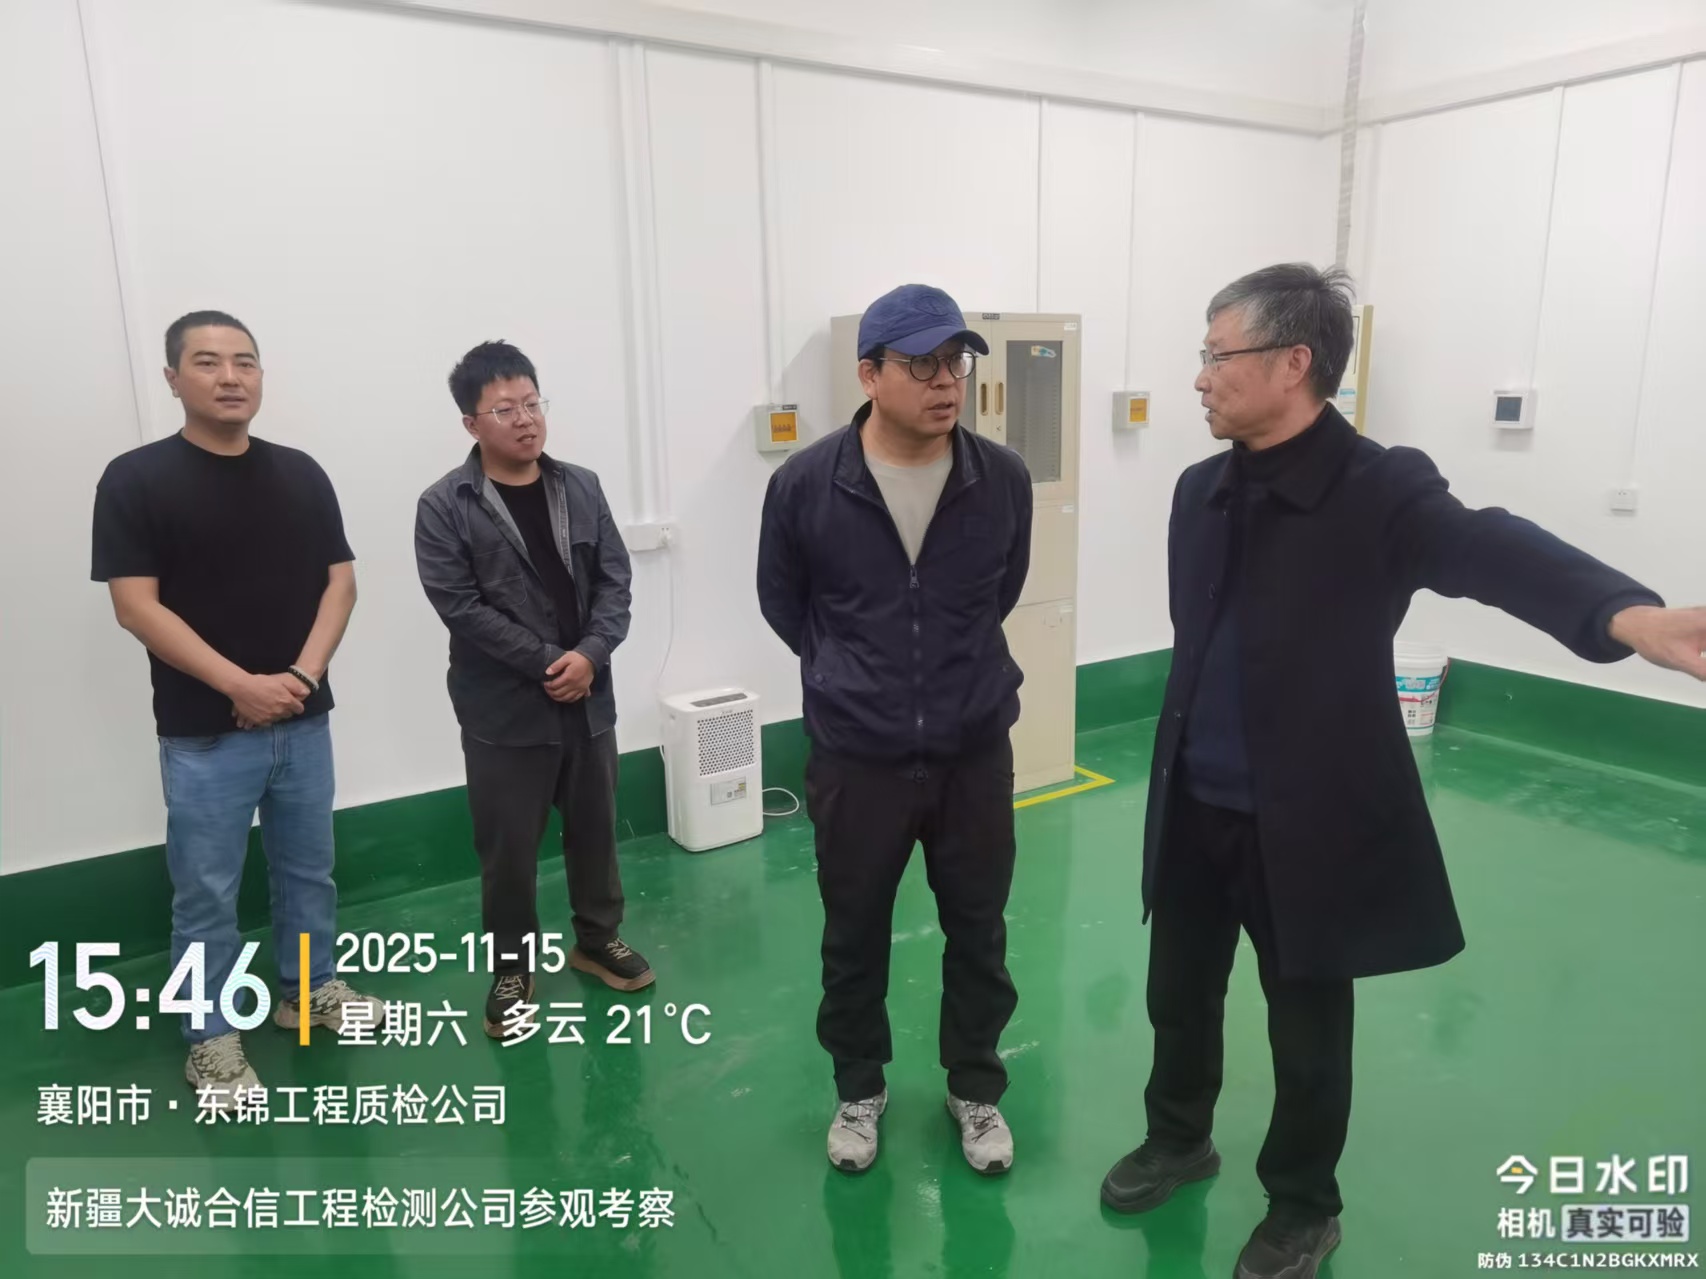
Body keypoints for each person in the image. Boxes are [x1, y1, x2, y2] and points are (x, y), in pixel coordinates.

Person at [1098, 263, 1706, 1279]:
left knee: (1306, 1026)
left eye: (1216, 353)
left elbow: (1489, 548)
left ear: (1292, 362)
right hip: (1194, 796)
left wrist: (1624, 615)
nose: (1198, 376)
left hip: (1305, 815)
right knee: (1178, 991)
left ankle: (1303, 1203)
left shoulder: (1377, 489)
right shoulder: (1199, 491)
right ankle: (1177, 1137)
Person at [757, 284, 1033, 1175]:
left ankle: (975, 1087)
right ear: (869, 374)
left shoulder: (1001, 479)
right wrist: (855, 676)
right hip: (858, 757)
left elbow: (1002, 591)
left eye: (956, 362)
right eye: (921, 365)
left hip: (972, 751)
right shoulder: (807, 484)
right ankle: (858, 1087)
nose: (946, 381)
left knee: (979, 930)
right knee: (854, 932)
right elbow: (785, 603)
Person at [91, 310, 381, 1105]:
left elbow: (341, 583)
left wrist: (299, 677)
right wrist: (239, 685)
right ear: (172, 377)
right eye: (208, 361)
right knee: (205, 891)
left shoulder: (301, 473)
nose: (230, 377)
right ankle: (209, 1035)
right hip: (204, 735)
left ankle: (307, 992)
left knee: (308, 871)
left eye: (245, 361)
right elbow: (135, 606)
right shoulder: (135, 478)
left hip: (303, 721)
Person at [415, 340, 652, 1041]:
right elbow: (461, 607)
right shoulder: (445, 505)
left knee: (595, 830)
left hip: (589, 699)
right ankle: (513, 967)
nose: (524, 419)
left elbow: (615, 581)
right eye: (504, 409)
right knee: (509, 851)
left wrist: (591, 654)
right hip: (505, 711)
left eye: (531, 403)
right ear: (471, 423)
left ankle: (597, 939)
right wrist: (554, 662)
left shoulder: (581, 486)